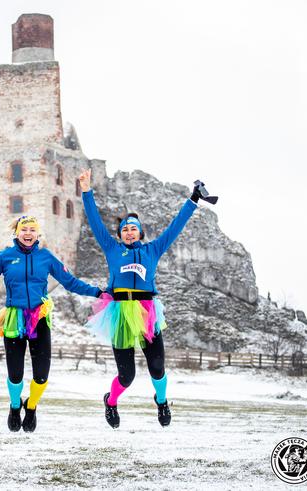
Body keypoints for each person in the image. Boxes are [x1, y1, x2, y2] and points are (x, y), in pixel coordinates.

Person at [78, 169, 216, 429]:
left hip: (147, 311)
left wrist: (193, 199)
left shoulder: (154, 249)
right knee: (127, 375)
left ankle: (161, 401)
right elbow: (95, 221)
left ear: (141, 234)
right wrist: (86, 191)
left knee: (157, 367)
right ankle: (111, 401)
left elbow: (176, 226)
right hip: (119, 313)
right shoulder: (112, 249)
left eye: (134, 229)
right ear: (119, 235)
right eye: (125, 230)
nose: (129, 233)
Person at [0, 216, 102, 433]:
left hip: (39, 319)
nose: (28, 233)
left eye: (32, 229)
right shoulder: (5, 256)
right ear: (17, 233)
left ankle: (31, 406)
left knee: (41, 375)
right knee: (15, 374)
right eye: (24, 229)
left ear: (38, 234)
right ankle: (14, 406)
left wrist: (97, 292)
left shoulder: (45, 257)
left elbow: (70, 282)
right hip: (14, 319)